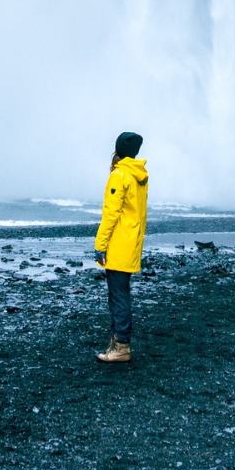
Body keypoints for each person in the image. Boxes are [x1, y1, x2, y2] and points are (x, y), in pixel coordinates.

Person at [93, 131, 147, 363]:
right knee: (120, 294)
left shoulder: (120, 175)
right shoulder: (139, 175)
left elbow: (111, 214)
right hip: (132, 241)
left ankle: (121, 347)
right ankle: (118, 342)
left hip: (119, 244)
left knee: (118, 296)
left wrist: (100, 245)